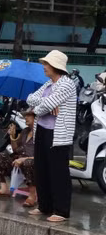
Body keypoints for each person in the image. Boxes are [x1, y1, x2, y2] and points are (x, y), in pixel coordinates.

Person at [26, 50, 76, 223]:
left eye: (46, 64)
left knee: (58, 172)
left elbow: (39, 107)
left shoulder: (67, 84)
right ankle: (44, 206)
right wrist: (47, 105)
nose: (44, 67)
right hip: (42, 130)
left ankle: (61, 210)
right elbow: (30, 99)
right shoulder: (48, 84)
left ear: (55, 66)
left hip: (58, 134)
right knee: (42, 170)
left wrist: (45, 105)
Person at [0, 110, 37, 206]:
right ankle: (3, 188)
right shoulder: (25, 131)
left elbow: (42, 155)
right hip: (18, 160)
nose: (25, 118)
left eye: (28, 115)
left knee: (28, 163)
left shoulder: (41, 134)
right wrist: (12, 135)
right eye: (25, 115)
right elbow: (15, 149)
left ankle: (33, 195)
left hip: (33, 162)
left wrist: (24, 159)